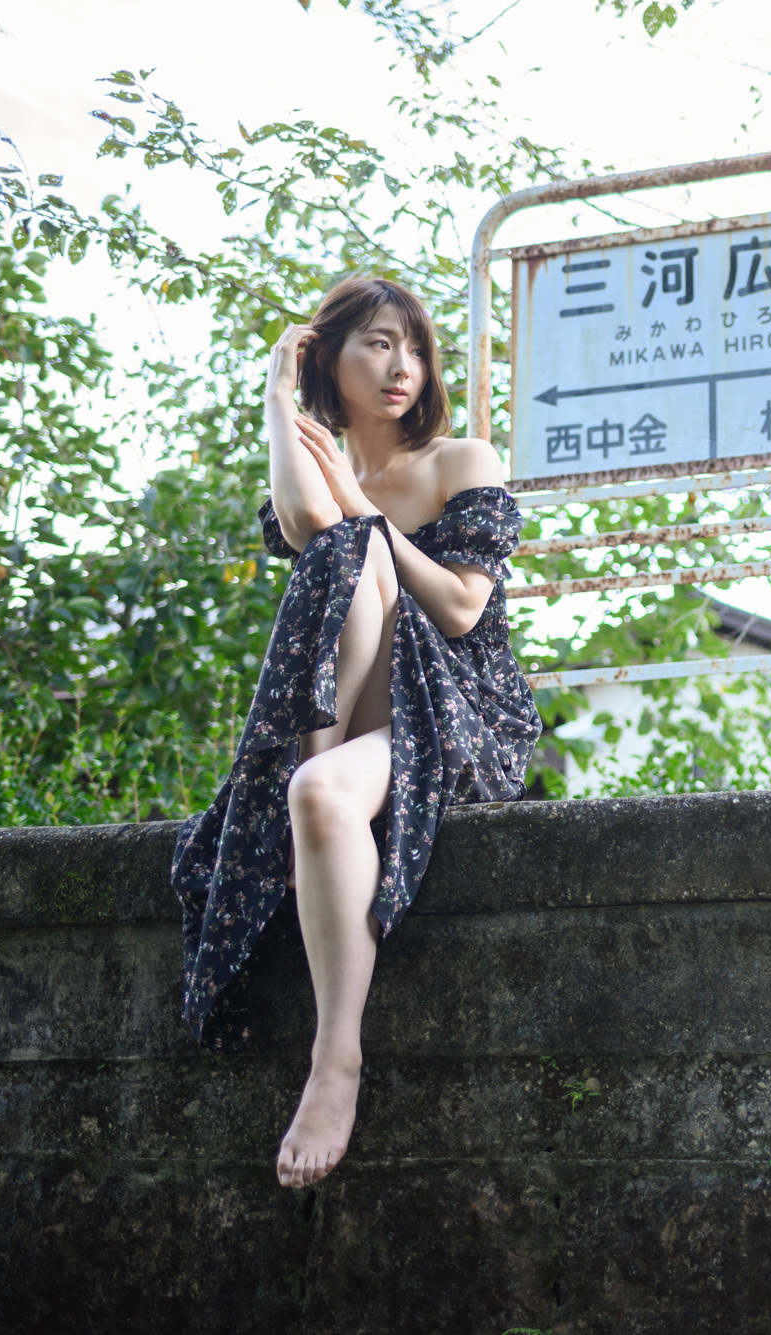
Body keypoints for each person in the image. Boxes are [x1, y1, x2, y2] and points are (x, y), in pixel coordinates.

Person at [171, 276, 540, 1189]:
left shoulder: (462, 460)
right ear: (327, 358)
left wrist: (369, 517)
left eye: (414, 348)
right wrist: (277, 401)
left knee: (357, 540)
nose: (401, 365)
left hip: (459, 714)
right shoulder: (324, 467)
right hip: (351, 735)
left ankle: (336, 1060)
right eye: (377, 343)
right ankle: (315, 798)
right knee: (317, 789)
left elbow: (462, 608)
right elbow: (305, 523)